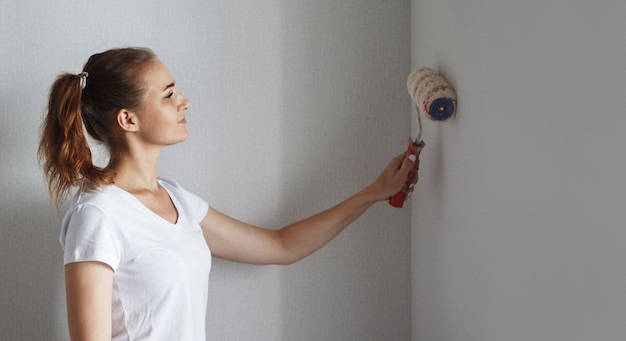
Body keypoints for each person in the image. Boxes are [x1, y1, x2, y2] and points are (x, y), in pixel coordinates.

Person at [38, 47, 420, 341]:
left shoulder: (178, 200)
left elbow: (281, 246)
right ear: (128, 119)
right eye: (169, 94)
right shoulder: (98, 215)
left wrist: (373, 193)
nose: (184, 101)